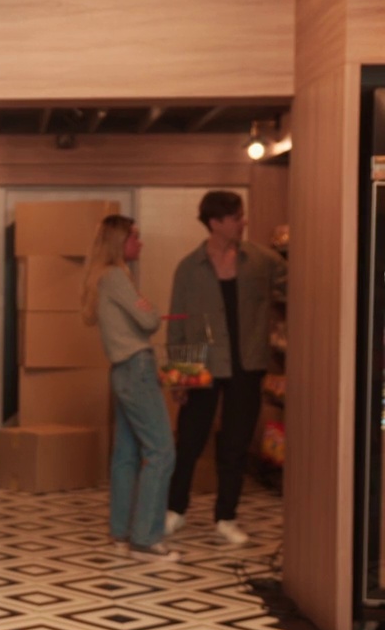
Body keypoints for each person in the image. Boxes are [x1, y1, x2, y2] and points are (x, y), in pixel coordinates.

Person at [165, 190, 286, 544]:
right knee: (189, 441)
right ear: (216, 223)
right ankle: (176, 511)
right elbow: (178, 324)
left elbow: (299, 285)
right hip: (202, 366)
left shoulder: (262, 260)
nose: (243, 222)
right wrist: (179, 378)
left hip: (247, 366)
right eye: (236, 217)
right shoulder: (189, 268)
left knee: (235, 444)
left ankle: (226, 517)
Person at [81, 215, 179, 562]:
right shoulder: (118, 277)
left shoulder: (101, 278)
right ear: (120, 242)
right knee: (162, 451)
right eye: (135, 237)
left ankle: (121, 532)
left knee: (125, 455)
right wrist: (148, 304)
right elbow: (149, 320)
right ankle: (145, 538)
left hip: (122, 371)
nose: (141, 243)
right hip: (137, 367)